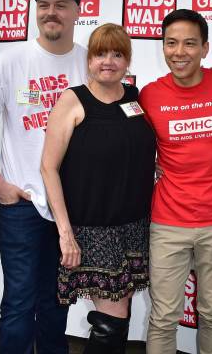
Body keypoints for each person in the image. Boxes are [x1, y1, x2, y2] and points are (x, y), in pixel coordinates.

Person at [0, 0, 85, 353]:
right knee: (18, 304)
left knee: (57, 301)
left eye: (61, 4)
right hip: (25, 206)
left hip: (72, 206)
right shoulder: (8, 63)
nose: (51, 12)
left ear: (78, 11)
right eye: (43, 5)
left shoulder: (91, 63)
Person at [40, 23, 155, 353]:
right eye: (100, 53)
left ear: (127, 61)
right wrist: (65, 233)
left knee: (121, 313)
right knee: (113, 317)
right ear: (89, 59)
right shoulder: (73, 100)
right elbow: (49, 167)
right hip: (94, 230)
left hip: (135, 226)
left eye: (117, 54)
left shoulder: (136, 99)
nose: (108, 61)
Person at [138, 9, 212, 354]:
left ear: (205, 48)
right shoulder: (149, 96)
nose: (179, 52)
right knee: (164, 316)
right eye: (171, 43)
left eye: (189, 43)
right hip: (168, 222)